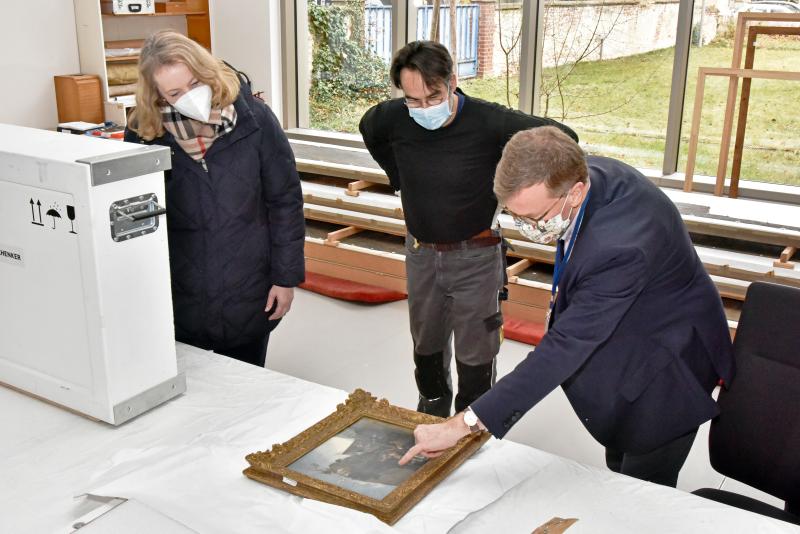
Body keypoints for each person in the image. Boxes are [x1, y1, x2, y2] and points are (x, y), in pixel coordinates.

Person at [399, 126, 735, 488]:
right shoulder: (584, 176)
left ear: (574, 192)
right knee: (618, 455)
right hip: (635, 329)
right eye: (515, 217)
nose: (528, 228)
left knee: (641, 489)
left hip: (668, 369)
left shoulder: (620, 248)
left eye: (535, 219)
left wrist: (462, 424)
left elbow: (564, 348)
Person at [359, 41, 578, 418]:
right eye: (414, 100)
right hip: (421, 254)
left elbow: (563, 136)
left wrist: (514, 190)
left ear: (452, 82)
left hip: (476, 257)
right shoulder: (391, 119)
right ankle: (431, 408)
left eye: (433, 96)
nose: (425, 108)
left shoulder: (490, 121)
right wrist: (399, 177)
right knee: (425, 345)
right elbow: (369, 129)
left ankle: (471, 421)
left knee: (476, 352)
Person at [124, 31, 305, 367]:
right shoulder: (143, 132)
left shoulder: (254, 118)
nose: (190, 97)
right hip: (181, 290)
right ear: (157, 97)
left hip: (249, 285)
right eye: (175, 93)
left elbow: (285, 201)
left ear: (207, 71)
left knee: (245, 387)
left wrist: (286, 277)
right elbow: (138, 219)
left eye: (195, 83)